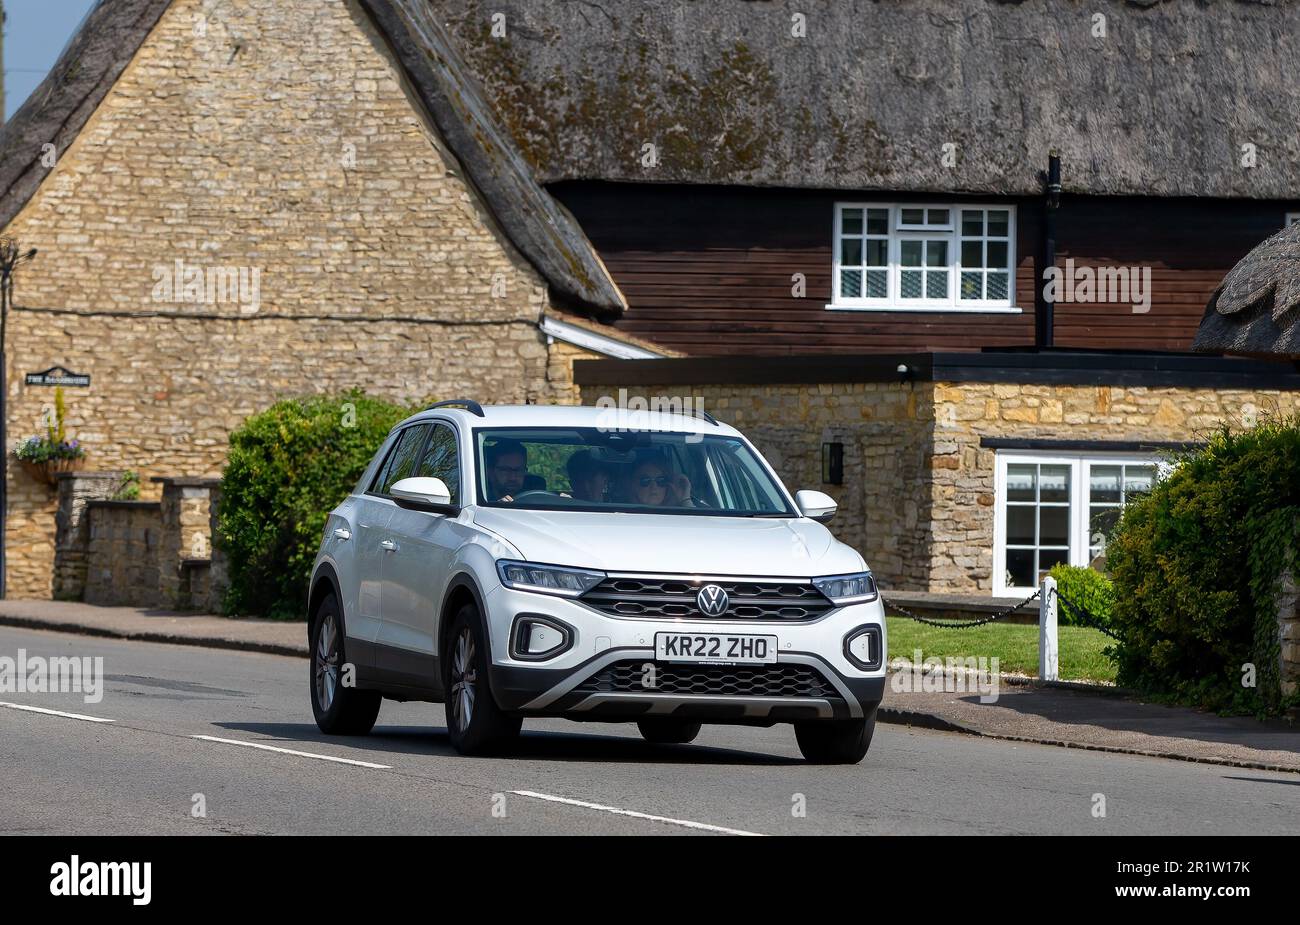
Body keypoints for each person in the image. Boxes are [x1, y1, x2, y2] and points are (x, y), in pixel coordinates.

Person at [624, 451, 693, 507]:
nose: (654, 487)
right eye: (645, 480)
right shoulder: (620, 513)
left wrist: (685, 500)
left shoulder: (677, 514)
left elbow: (693, 519)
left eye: (661, 480)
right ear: (632, 484)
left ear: (668, 485)